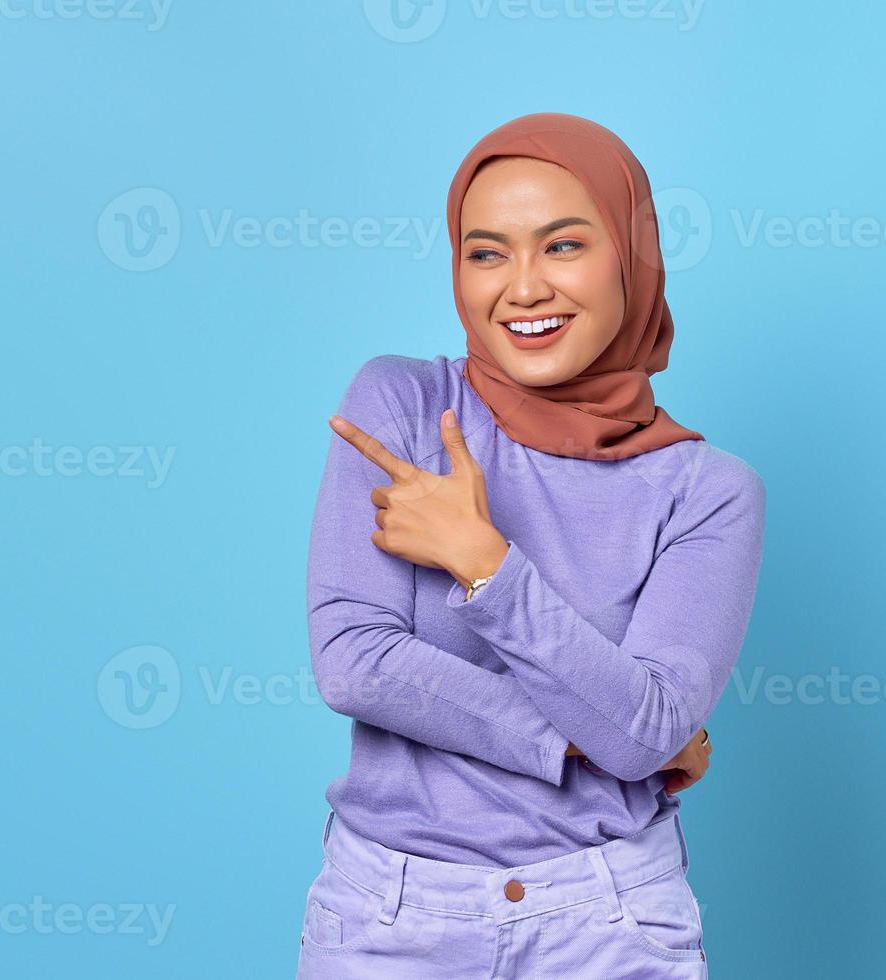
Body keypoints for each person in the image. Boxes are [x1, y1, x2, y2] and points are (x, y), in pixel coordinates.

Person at [297, 112, 765, 979]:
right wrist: (599, 737)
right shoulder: (401, 405)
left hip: (612, 921)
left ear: (631, 257)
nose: (522, 288)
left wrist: (486, 563)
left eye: (562, 247)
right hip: (388, 917)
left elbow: (648, 728)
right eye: (486, 252)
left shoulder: (707, 493)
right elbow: (355, 663)